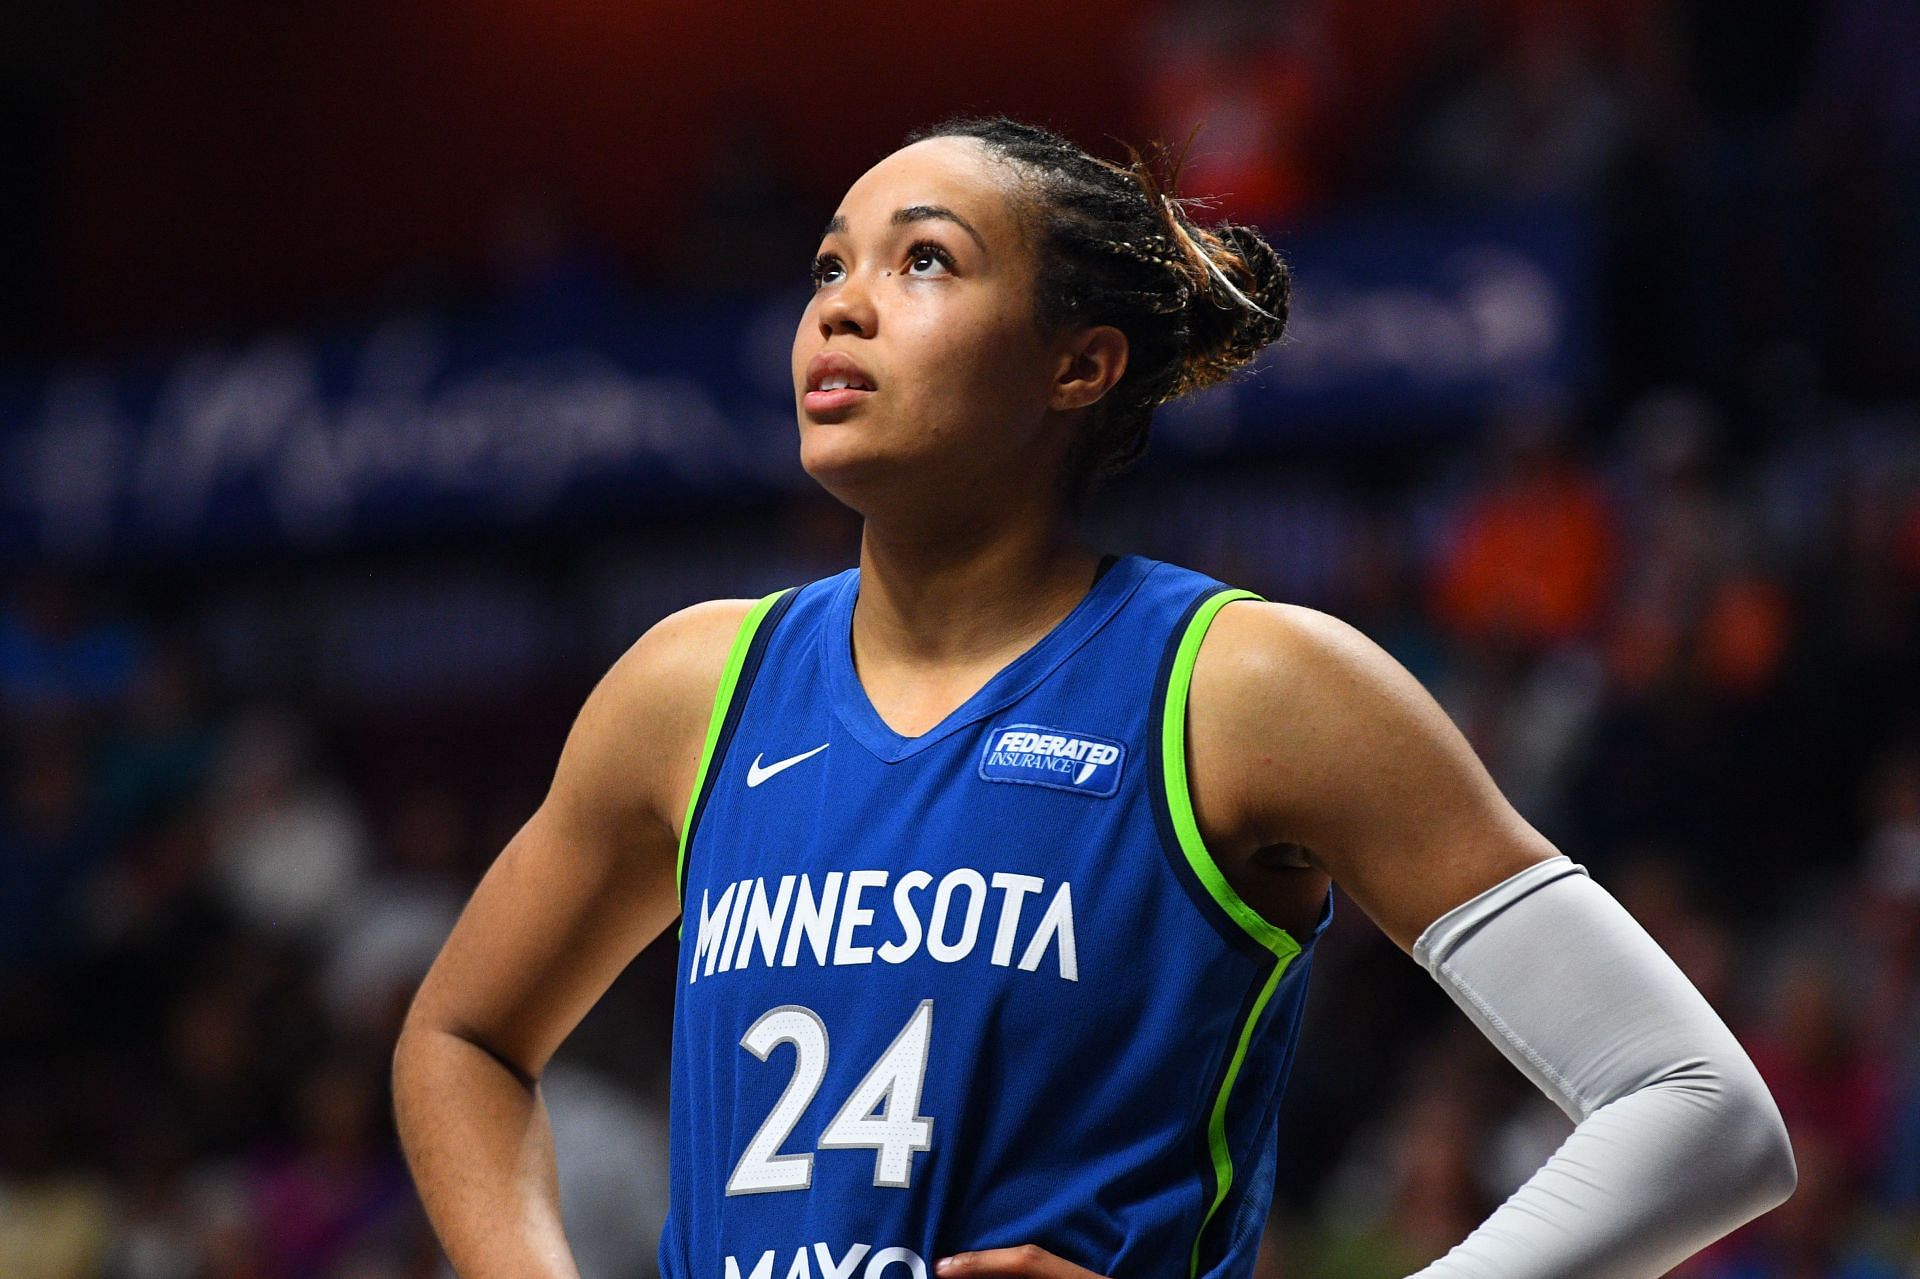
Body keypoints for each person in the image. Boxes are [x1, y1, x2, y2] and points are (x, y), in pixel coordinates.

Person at [391, 116, 1796, 1279]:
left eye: (925, 259)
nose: (844, 301)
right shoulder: (689, 687)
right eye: (832, 264)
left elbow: (1701, 1115)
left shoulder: (1246, 685)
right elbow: (460, 1039)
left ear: (1081, 362)